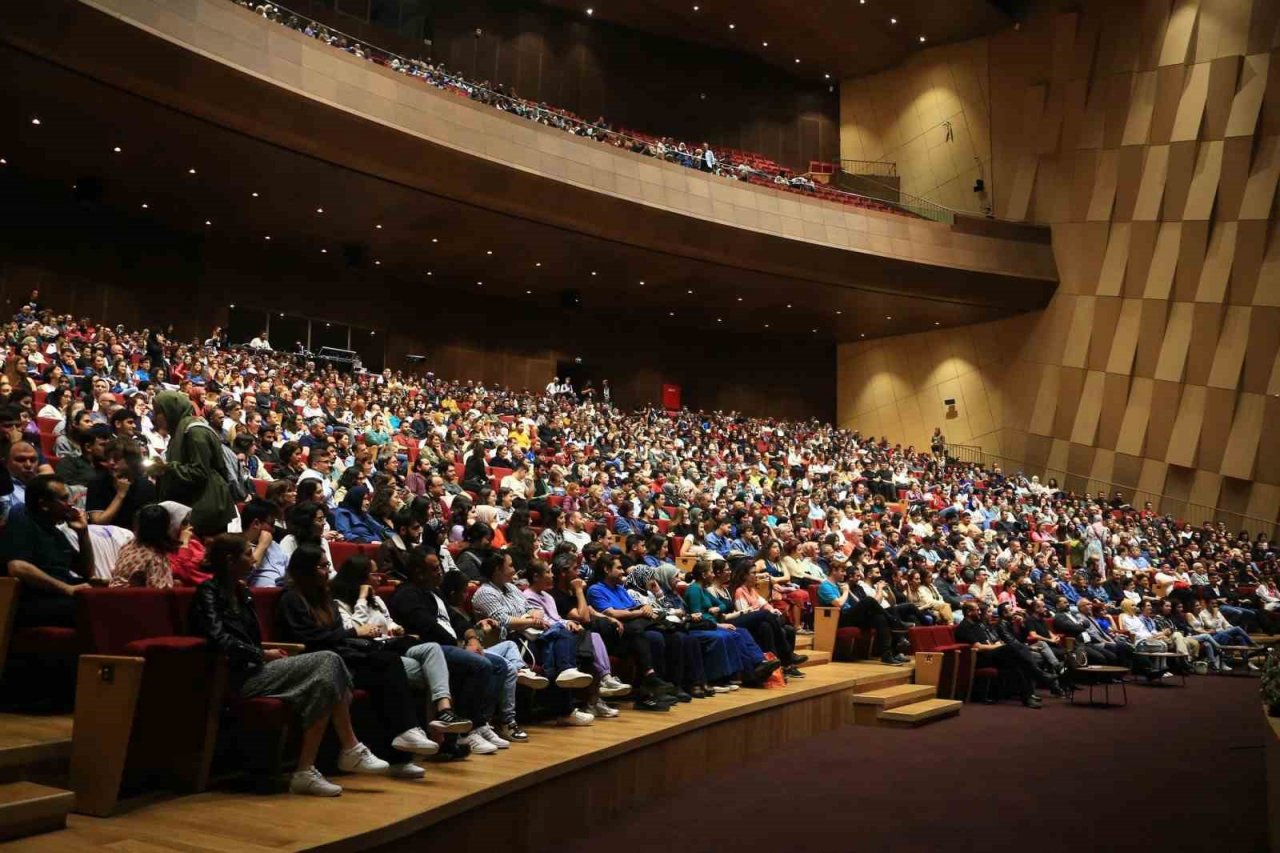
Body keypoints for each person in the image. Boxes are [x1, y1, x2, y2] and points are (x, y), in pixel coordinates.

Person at [187, 534, 388, 796]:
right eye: (248, 554)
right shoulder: (208, 593)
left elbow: (249, 637)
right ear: (229, 560)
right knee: (329, 661)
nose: (253, 559)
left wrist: (260, 652)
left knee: (327, 674)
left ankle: (308, 769)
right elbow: (218, 639)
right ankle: (343, 750)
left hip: (255, 666)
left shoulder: (242, 592)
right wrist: (260, 653)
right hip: (232, 674)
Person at [276, 544, 444, 774]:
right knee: (384, 666)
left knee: (388, 661)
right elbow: (309, 638)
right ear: (306, 569)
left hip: (340, 652)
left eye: (327, 565)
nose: (328, 571)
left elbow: (335, 632)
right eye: (323, 566)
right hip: (316, 661)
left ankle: (402, 747)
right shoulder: (292, 599)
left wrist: (348, 637)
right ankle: (400, 747)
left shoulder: (325, 597)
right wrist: (353, 633)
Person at [389, 548, 543, 747]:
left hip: (452, 646)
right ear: (419, 572)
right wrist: (461, 644)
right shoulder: (406, 594)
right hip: (429, 649)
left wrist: (471, 637)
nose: (441, 572)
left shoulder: (434, 592)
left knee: (499, 665)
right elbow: (428, 627)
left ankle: (481, 723)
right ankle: (467, 731)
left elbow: (456, 619)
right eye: (435, 569)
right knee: (481, 664)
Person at [471, 550, 598, 726]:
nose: (514, 568)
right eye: (510, 565)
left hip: (527, 634)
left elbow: (528, 607)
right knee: (559, 639)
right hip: (507, 640)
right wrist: (531, 619)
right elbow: (503, 621)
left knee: (560, 641)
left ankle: (564, 706)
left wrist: (532, 614)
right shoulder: (485, 592)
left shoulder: (511, 588)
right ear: (497, 570)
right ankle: (565, 708)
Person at [587, 553, 679, 711]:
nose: (623, 572)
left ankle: (663, 687)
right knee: (650, 635)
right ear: (606, 569)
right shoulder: (596, 590)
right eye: (619, 568)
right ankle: (648, 689)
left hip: (634, 629)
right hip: (616, 636)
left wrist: (646, 608)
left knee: (671, 636)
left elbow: (633, 607)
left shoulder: (620, 588)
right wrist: (641, 613)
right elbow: (612, 614)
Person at [0, 474, 92, 627]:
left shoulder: (56, 532)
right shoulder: (22, 517)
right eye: (63, 499)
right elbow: (17, 567)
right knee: (94, 609)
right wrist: (67, 589)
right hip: (34, 600)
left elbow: (87, 571)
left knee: (107, 601)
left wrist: (83, 534)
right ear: (44, 504)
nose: (70, 504)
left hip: (59, 598)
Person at [152, 391, 235, 535]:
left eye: (158, 412)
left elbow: (199, 472)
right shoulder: (179, 431)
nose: (155, 417)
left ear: (171, 410)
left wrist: (167, 467)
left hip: (206, 507)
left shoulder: (194, 431)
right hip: (193, 504)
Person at [954, 602, 1050, 708]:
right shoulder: (964, 627)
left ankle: (1028, 697)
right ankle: (1040, 676)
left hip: (990, 654)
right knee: (1013, 648)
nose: (979, 612)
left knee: (1017, 661)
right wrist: (998, 647)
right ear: (968, 612)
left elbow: (987, 642)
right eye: (977, 610)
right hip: (979, 659)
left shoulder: (976, 625)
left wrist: (996, 645)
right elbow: (978, 647)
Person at [813, 560, 907, 666]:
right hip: (838, 618)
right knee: (869, 600)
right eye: (842, 571)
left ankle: (887, 655)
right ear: (834, 571)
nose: (845, 574)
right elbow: (838, 604)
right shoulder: (825, 586)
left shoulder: (839, 585)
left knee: (879, 618)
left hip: (849, 614)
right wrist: (845, 591)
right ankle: (895, 621)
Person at [109, 504, 177, 588]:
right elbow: (158, 591)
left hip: (115, 597)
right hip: (136, 599)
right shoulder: (154, 556)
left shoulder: (128, 546)